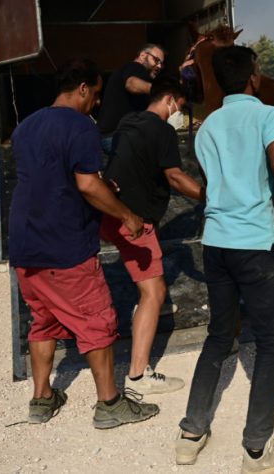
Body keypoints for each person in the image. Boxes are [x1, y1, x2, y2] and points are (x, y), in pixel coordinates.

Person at [174, 45, 274, 473]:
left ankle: (191, 434)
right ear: (254, 77)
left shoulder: (206, 127)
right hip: (253, 245)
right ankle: (257, 449)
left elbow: (213, 183)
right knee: (271, 344)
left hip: (215, 244)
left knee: (217, 336)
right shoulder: (269, 116)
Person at [7, 58, 159, 428]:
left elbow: (51, 179)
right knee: (97, 320)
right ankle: (110, 404)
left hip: (25, 242)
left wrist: (104, 188)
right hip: (64, 243)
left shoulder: (26, 126)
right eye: (97, 94)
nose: (99, 103)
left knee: (42, 321)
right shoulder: (80, 126)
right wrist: (126, 214)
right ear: (83, 89)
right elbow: (86, 185)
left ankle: (42, 398)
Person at [100, 76, 204, 396]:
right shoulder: (162, 130)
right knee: (154, 292)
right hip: (135, 220)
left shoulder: (128, 120)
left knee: (146, 289)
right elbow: (174, 176)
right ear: (170, 100)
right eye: (180, 108)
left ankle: (136, 329)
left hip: (109, 212)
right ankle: (138, 373)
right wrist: (211, 196)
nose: (179, 115)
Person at [96, 44, 166, 153]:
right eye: (156, 60)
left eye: (161, 63)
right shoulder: (136, 67)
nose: (159, 66)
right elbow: (131, 84)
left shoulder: (124, 69)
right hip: (118, 137)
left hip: (109, 137)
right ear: (143, 55)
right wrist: (161, 91)